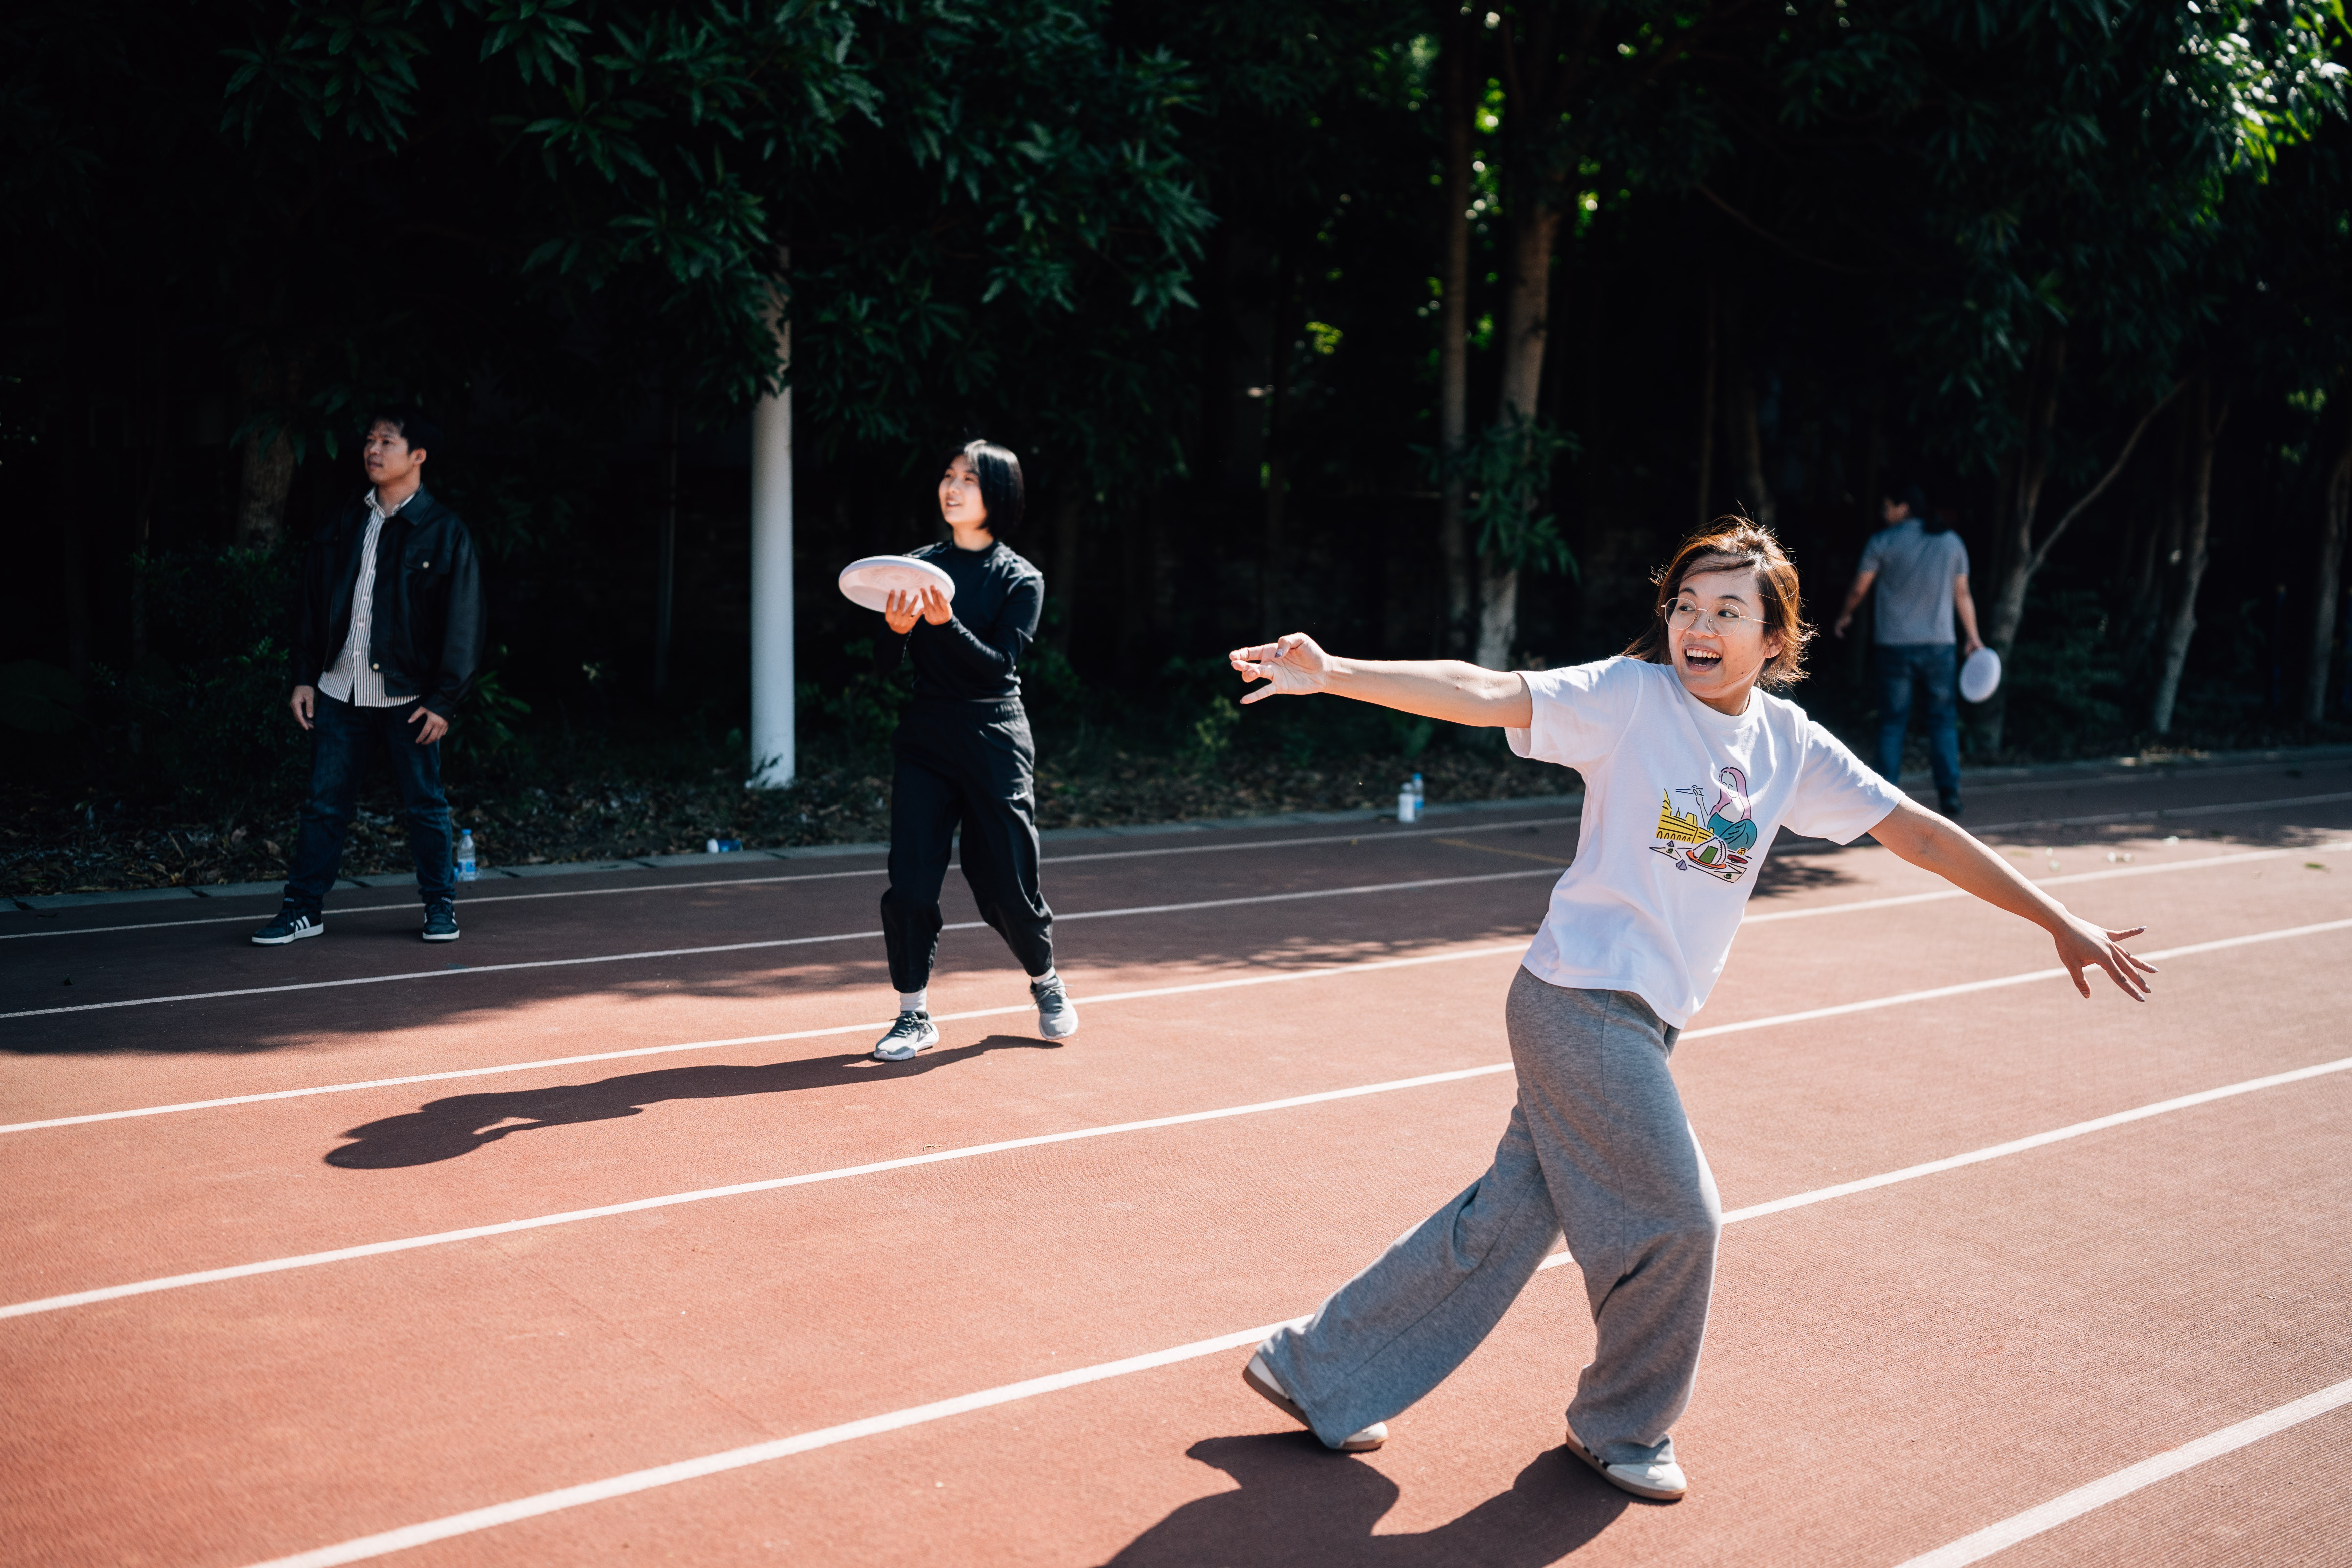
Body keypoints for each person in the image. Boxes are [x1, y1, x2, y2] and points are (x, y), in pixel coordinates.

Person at [1224, 520, 2152, 1502]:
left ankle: (1314, 1367)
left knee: (1504, 1224)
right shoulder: (1629, 699)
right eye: (1684, 605)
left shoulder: (1788, 745)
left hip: (1638, 1021)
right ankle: (1621, 1426)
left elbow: (1917, 834)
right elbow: (1487, 690)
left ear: (1772, 637)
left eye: (1726, 611)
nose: (1697, 626)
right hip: (1578, 1002)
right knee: (1683, 1217)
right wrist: (1334, 673)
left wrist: (2055, 918)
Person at [868, 440, 1077, 1061]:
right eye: (948, 475)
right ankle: (912, 1013)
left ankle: (1045, 979)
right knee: (910, 883)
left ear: (1000, 495)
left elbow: (996, 667)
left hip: (994, 736)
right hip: (927, 736)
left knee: (1006, 885)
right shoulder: (917, 567)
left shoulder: (1021, 579)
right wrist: (894, 632)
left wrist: (945, 624)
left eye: (969, 479)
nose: (952, 487)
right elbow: (884, 664)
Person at [251, 410, 482, 946]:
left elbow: (464, 623)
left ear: (418, 455)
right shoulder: (343, 521)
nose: (372, 450)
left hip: (409, 697)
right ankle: (302, 909)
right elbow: (312, 604)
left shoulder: (445, 532)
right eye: (370, 440)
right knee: (324, 806)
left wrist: (445, 700)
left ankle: (439, 906)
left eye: (387, 442)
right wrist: (304, 676)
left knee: (425, 805)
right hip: (339, 689)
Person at [1833, 485, 1983, 816]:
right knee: (1943, 721)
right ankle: (1950, 794)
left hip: (1894, 646)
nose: (1884, 513)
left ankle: (1883, 801)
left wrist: (1845, 615)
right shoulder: (1952, 543)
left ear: (1904, 508)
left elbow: (1859, 589)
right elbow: (1963, 594)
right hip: (1940, 647)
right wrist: (1972, 637)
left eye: (1888, 506)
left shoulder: (1883, 541)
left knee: (1893, 723)